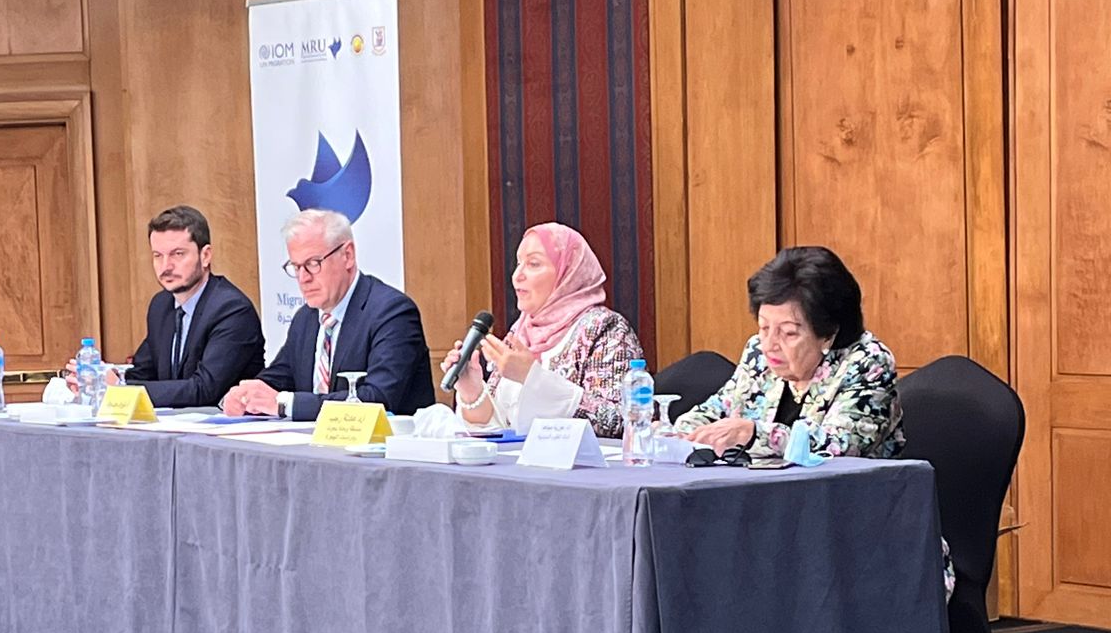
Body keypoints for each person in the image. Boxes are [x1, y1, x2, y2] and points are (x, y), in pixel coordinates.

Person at [673, 245, 904, 459]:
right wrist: (679, 432)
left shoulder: (868, 363)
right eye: (764, 327)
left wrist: (753, 435)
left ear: (828, 333)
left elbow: (840, 446)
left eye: (788, 333)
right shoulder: (758, 353)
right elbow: (715, 411)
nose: (769, 344)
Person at [222, 209, 434, 420]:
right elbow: (278, 378)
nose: (303, 278)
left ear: (348, 255)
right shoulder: (305, 318)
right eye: (296, 267)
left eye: (313, 264)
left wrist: (285, 404)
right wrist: (244, 395)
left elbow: (377, 398)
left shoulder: (392, 313)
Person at [441, 223, 642, 436]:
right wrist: (472, 392)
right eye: (518, 263)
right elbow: (505, 429)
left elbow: (622, 421)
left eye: (534, 264)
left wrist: (533, 378)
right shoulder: (520, 331)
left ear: (569, 272)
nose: (517, 275)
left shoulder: (605, 328)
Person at [65, 205, 264, 408]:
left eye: (177, 254)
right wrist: (101, 378)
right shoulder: (161, 306)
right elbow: (143, 373)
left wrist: (120, 388)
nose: (166, 266)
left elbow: (204, 389)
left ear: (205, 256)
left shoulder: (232, 310)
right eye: (158, 255)